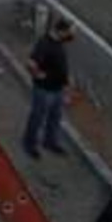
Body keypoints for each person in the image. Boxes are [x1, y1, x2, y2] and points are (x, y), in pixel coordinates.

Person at [24, 17, 75, 159]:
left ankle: (50, 142)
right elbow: (30, 63)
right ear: (61, 31)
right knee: (37, 118)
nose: (72, 35)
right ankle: (30, 145)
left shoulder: (59, 43)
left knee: (55, 117)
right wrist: (39, 76)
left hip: (57, 90)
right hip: (44, 91)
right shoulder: (44, 44)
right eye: (70, 32)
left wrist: (66, 80)